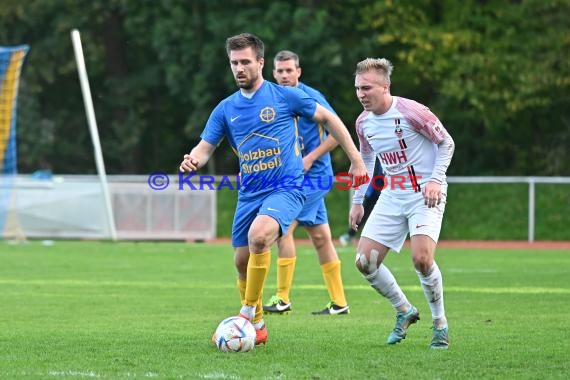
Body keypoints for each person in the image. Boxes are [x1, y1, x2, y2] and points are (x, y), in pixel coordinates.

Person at [179, 33, 367, 346]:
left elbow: (329, 119)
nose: (239, 68)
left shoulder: (285, 96)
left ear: (261, 63)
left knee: (260, 236)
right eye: (234, 63)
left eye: (245, 62)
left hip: (287, 188)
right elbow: (204, 147)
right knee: (241, 262)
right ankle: (260, 325)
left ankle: (245, 314)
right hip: (249, 194)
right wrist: (192, 160)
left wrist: (357, 159)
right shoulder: (225, 109)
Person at [350, 57, 455, 349]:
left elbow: (447, 143)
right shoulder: (363, 123)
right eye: (358, 88)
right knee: (364, 262)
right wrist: (359, 201)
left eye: (367, 88)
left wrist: (435, 179)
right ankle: (404, 310)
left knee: (422, 260)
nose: (361, 94)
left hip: (425, 193)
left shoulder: (412, 112)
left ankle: (440, 325)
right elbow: (367, 160)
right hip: (392, 194)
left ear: (385, 87)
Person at [263, 50, 349, 316]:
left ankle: (282, 297)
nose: (285, 75)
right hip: (293, 176)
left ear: (299, 71)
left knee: (283, 229)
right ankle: (339, 303)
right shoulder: (272, 99)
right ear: (273, 73)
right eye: (280, 71)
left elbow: (337, 132)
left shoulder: (311, 98)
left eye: (290, 70)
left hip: (314, 177)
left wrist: (310, 157)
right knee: (321, 237)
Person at [338, 159, 382, 247]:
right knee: (363, 215)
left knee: (382, 217)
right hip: (373, 193)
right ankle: (349, 235)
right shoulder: (378, 160)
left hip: (385, 194)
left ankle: (386, 240)